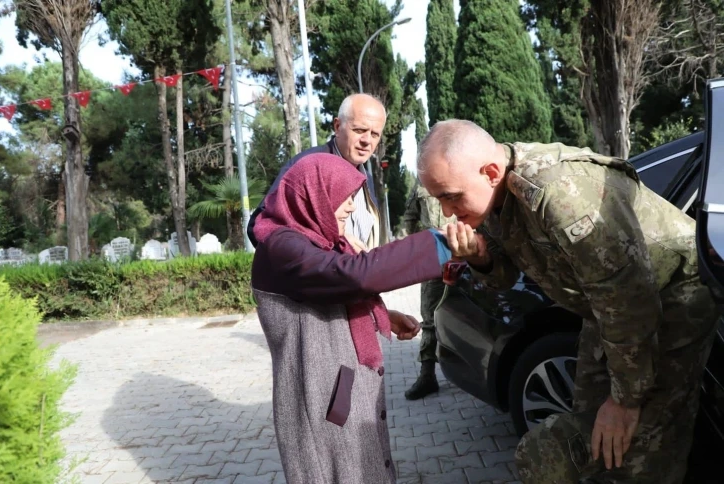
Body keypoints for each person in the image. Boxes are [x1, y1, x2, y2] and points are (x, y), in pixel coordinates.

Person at [415, 119, 720, 484]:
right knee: (591, 423)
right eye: (439, 199)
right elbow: (508, 276)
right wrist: (481, 257)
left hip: (671, 291)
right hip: (605, 308)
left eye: (450, 196)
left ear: (491, 171)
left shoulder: (560, 193)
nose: (447, 212)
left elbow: (628, 298)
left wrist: (625, 400)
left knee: (643, 442)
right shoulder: (492, 197)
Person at [251, 153, 452, 484]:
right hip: (321, 404)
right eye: (342, 198)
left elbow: (326, 292)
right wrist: (441, 245)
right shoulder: (281, 248)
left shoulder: (312, 241)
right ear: (312, 194)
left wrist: (383, 316)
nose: (349, 208)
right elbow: (351, 276)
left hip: (337, 393)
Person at [248, 93, 387, 251]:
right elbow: (258, 226)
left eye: (375, 134)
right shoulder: (306, 167)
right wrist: (335, 240)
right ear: (337, 126)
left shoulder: (367, 179)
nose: (367, 140)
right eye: (359, 130)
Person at [398, 178, 456, 400]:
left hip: (467, 256)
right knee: (430, 318)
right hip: (433, 259)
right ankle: (427, 375)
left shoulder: (464, 172)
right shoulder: (422, 183)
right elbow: (410, 217)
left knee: (474, 313)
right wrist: (410, 253)